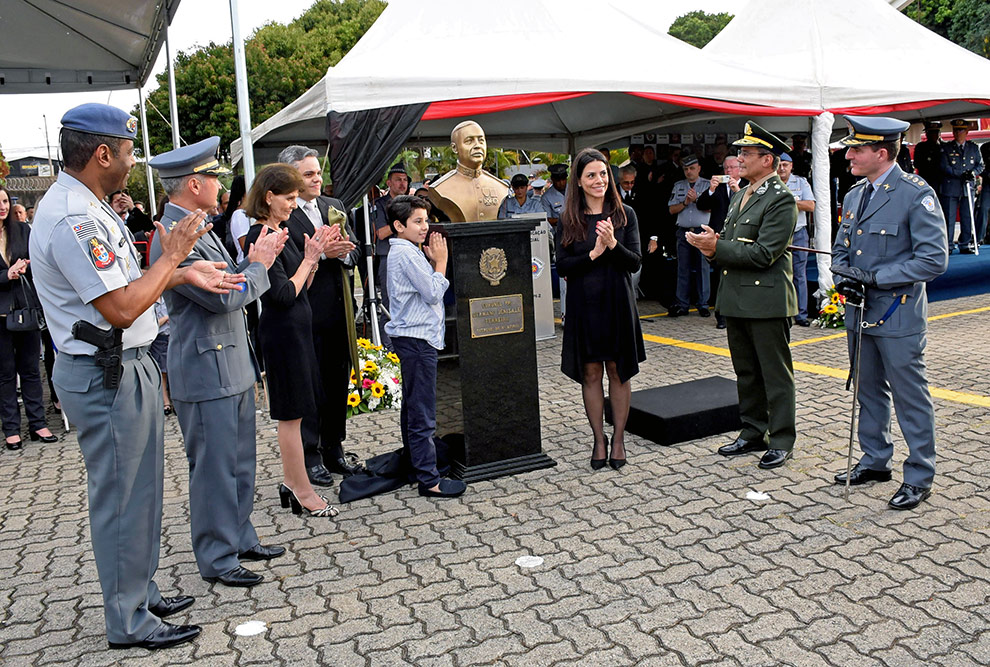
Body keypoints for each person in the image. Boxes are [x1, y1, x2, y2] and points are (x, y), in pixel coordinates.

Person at [30, 102, 238, 649]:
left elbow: (133, 288)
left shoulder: (88, 205)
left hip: (128, 364)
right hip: (105, 371)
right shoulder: (73, 217)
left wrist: (181, 269)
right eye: (126, 153)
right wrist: (172, 259)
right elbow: (120, 307)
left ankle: (140, 593)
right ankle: (128, 619)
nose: (130, 164)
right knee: (123, 496)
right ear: (102, 154)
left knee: (141, 492)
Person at [150, 138, 290, 586]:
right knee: (213, 468)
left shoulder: (199, 226)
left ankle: (240, 535)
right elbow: (226, 300)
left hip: (229, 366)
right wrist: (259, 265)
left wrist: (250, 265)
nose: (219, 184)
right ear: (194, 184)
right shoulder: (173, 237)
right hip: (205, 370)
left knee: (240, 461)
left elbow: (232, 284)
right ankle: (216, 556)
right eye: (212, 177)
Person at [830, 116, 948, 511]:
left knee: (909, 396)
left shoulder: (916, 194)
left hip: (897, 314)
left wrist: (876, 277)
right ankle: (875, 460)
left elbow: (934, 260)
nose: (848, 155)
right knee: (868, 391)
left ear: (881, 153)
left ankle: (918, 475)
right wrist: (844, 276)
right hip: (859, 311)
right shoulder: (853, 195)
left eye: (856, 149)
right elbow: (842, 249)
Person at [686, 121, 798, 471]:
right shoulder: (740, 195)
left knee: (774, 375)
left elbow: (764, 253)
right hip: (736, 298)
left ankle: (781, 439)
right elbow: (732, 245)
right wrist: (710, 246)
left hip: (766, 301)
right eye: (740, 152)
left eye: (747, 154)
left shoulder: (781, 200)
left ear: (768, 160)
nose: (739, 158)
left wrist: (717, 246)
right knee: (746, 372)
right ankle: (752, 431)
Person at [242, 164, 339, 519]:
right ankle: (301, 489)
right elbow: (281, 295)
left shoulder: (279, 231)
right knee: (291, 415)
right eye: (289, 198)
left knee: (301, 409)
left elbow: (303, 289)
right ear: (269, 197)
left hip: (298, 329)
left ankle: (293, 483)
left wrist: (312, 260)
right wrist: (310, 260)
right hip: (281, 334)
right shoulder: (260, 237)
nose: (294, 206)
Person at [279, 145, 363, 485]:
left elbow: (355, 250)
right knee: (309, 387)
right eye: (309, 174)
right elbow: (284, 264)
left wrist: (342, 254)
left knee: (335, 383)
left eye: (318, 172)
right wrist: (320, 255)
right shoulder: (284, 214)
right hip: (305, 312)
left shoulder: (335, 206)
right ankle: (309, 456)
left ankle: (334, 448)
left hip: (338, 310)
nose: (318, 179)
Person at [557, 148, 645, 471]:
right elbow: (562, 265)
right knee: (591, 372)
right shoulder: (569, 219)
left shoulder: (625, 216)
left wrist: (612, 245)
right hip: (585, 306)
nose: (599, 180)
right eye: (591, 175)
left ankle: (619, 439)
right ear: (578, 181)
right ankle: (598, 439)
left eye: (603, 174)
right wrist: (593, 254)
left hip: (617, 303)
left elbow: (634, 261)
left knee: (618, 371)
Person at [383, 195, 466, 498]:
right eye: (417, 221)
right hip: (417, 341)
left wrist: (431, 263)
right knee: (421, 412)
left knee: (413, 407)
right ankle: (429, 479)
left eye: (426, 220)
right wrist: (441, 263)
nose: (425, 227)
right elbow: (432, 293)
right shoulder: (404, 253)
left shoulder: (408, 251)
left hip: (415, 339)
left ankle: (416, 465)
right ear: (398, 225)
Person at [0, 185, 58, 450]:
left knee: (31, 370)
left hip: (27, 310)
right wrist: (6, 275)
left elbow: (41, 262)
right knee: (6, 374)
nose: (2, 206)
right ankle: (11, 429)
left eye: (4, 201)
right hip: (1, 315)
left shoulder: (23, 230)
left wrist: (29, 266)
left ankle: (38, 423)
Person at [697, 155, 744, 330]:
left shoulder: (747, 185)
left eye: (732, 168)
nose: (728, 171)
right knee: (720, 277)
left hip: (739, 236)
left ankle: (738, 312)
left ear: (739, 168)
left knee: (738, 276)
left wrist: (737, 190)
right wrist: (710, 189)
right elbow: (701, 204)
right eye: (725, 168)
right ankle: (721, 316)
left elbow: (750, 207)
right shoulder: (718, 187)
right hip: (719, 236)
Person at [427, 120, 508, 222]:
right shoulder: (440, 188)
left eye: (481, 140)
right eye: (469, 141)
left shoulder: (500, 186)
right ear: (455, 148)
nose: (477, 145)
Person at [371, 163, 411, 347]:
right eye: (398, 180)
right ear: (388, 183)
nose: (402, 184)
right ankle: (388, 347)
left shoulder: (412, 204)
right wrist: (403, 223)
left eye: (405, 180)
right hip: (389, 257)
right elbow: (381, 233)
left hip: (411, 255)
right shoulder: (380, 205)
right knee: (389, 304)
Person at [668, 155, 711, 317]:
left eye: (692, 168)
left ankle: (703, 304)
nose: (689, 172)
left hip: (702, 231)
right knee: (683, 268)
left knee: (703, 268)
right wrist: (686, 202)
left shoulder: (708, 185)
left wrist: (697, 199)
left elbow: (713, 208)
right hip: (684, 231)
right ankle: (682, 304)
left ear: (699, 168)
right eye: (686, 169)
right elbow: (671, 209)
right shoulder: (679, 186)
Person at [777, 153, 815, 326]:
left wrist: (788, 201)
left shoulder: (801, 182)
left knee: (799, 274)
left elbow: (810, 205)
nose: (782, 168)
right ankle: (783, 312)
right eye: (779, 165)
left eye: (785, 164)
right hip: (777, 235)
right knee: (779, 274)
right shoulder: (770, 183)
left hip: (798, 233)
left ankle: (801, 314)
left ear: (791, 166)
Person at [939, 119, 983, 254]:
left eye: (961, 130)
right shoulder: (947, 148)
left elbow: (980, 165)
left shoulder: (973, 148)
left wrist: (972, 173)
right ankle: (949, 245)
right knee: (949, 218)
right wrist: (960, 174)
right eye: (956, 130)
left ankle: (965, 244)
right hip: (951, 186)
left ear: (967, 132)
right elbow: (944, 166)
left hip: (967, 187)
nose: (958, 133)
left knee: (967, 216)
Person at [913, 121, 944, 191]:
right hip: (926, 180)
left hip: (942, 182)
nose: (934, 135)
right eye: (931, 133)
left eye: (936, 132)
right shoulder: (921, 147)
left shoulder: (943, 146)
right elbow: (917, 164)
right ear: (926, 134)